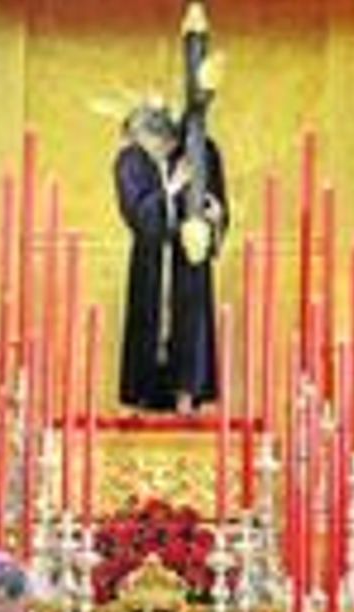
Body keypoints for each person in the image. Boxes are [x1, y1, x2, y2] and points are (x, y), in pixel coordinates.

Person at [114, 103, 227, 414]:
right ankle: (142, 397)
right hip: (150, 265)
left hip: (188, 265)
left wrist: (214, 216)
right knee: (148, 325)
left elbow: (216, 204)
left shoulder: (201, 151)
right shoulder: (130, 161)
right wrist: (171, 188)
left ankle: (187, 395)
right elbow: (139, 216)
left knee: (190, 326)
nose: (154, 149)